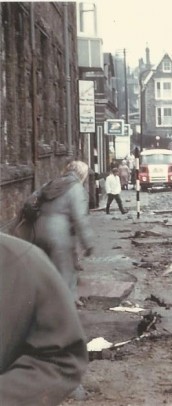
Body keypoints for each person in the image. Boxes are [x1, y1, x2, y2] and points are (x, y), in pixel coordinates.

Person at [0, 232, 89, 405]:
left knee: (65, 274)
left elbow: (62, 357)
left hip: (51, 236)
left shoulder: (22, 262)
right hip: (59, 235)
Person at [31, 160, 94, 302]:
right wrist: (88, 243)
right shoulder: (75, 188)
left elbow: (32, 200)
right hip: (59, 233)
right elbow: (80, 218)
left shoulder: (51, 183)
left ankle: (43, 302)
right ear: (82, 174)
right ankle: (66, 307)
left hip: (38, 229)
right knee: (66, 271)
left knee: (45, 270)